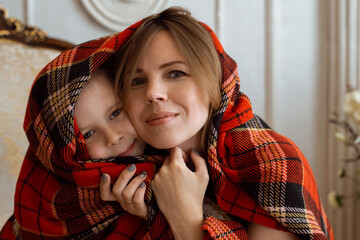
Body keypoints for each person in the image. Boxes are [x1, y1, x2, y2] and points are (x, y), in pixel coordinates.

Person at [107, 6, 334, 240]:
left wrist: (185, 221)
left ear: (215, 81)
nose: (153, 93)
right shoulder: (132, 177)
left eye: (175, 73)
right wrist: (153, 216)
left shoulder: (271, 163)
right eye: (137, 81)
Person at [0, 33, 247, 239]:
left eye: (116, 113)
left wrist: (154, 212)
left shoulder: (184, 153)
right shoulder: (59, 201)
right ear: (67, 149)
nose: (113, 137)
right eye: (89, 133)